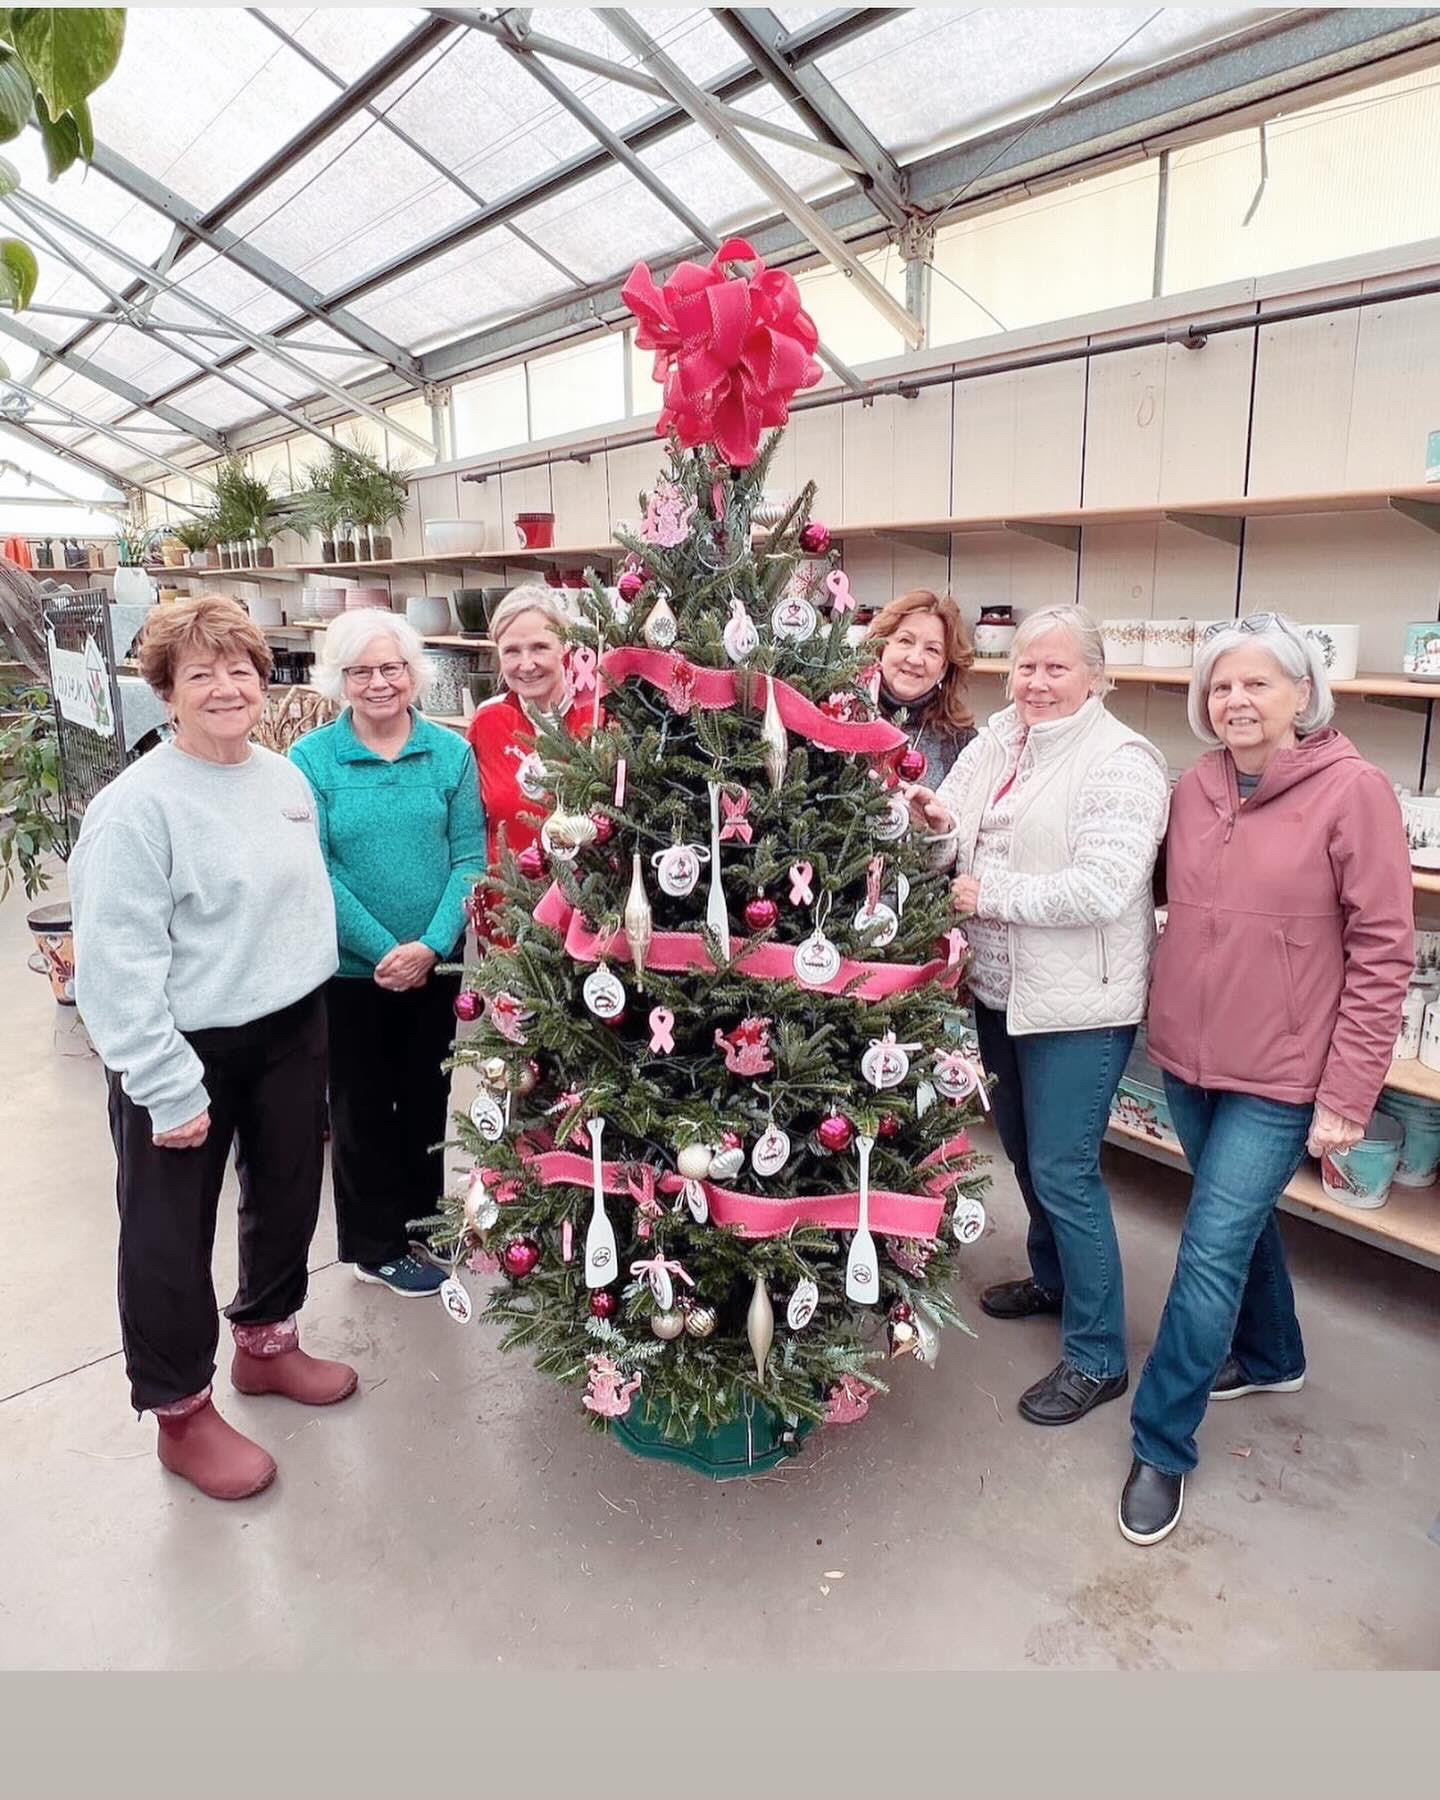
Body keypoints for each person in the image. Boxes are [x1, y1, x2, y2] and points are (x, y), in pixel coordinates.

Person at [1119, 614, 1412, 1546]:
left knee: (1206, 1249)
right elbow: (1156, 892)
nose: (1233, 700)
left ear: (1302, 695)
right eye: (1219, 686)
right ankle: (1275, 1354)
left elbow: (1382, 956)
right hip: (1189, 1054)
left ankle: (1161, 1445)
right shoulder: (1197, 785)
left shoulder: (1354, 792)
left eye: (1255, 684)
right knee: (1229, 1220)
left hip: (1283, 1074)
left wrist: (1347, 1096)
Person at [70, 596, 353, 1504]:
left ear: (264, 682)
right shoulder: (135, 811)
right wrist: (164, 1085)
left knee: (283, 1196)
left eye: (240, 669)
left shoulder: (282, 780)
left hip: (288, 1028)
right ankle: (179, 1414)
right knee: (167, 1234)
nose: (226, 688)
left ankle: (266, 1346)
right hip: (184, 1046)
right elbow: (116, 967)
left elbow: (298, 904)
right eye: (200, 674)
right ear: (166, 694)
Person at [912, 605, 1170, 1426]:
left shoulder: (1123, 761)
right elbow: (947, 837)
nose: (1037, 682)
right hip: (1000, 991)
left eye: (1057, 668)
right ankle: (1055, 1281)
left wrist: (992, 896)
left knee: (1065, 1171)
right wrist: (928, 825)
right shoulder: (998, 741)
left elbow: (1103, 886)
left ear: (1096, 677)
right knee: (1027, 1156)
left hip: (1078, 1007)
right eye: (1026, 665)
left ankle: (1098, 1357)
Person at [293, 610, 486, 1299]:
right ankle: (374, 1245)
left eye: (392, 667)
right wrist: (384, 949)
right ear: (339, 680)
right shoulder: (311, 761)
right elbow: (314, 870)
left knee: (426, 1094)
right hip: (351, 973)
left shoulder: (449, 753)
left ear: (414, 674)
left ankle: (425, 1219)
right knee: (361, 1106)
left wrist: (431, 946)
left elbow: (469, 858)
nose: (379, 683)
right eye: (362, 670)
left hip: (433, 966)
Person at [466, 585, 589, 869]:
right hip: (510, 901)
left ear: (565, 646)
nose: (526, 664)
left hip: (589, 902)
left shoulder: (598, 715)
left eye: (539, 647)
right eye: (511, 651)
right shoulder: (487, 721)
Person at [865, 588, 976, 784]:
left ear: (943, 668)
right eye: (905, 641)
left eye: (932, 650)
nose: (915, 659)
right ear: (881, 647)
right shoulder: (844, 717)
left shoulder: (963, 742)